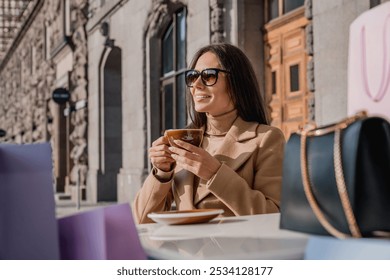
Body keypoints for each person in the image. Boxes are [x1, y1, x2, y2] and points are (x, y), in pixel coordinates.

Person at [134, 43, 285, 224]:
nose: (196, 84)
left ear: (237, 81)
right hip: (184, 250)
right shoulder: (183, 140)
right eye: (192, 76)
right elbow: (142, 220)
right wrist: (161, 173)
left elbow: (274, 216)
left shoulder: (267, 139)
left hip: (237, 250)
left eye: (208, 76)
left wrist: (215, 174)